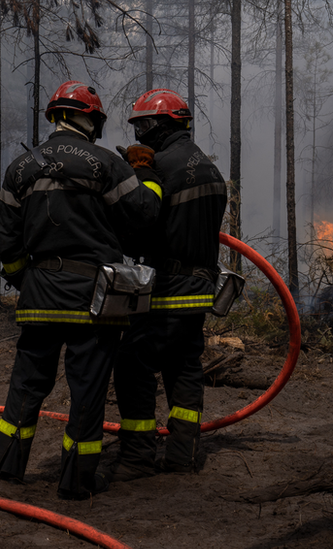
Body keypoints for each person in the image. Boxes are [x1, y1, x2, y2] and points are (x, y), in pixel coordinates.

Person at [0, 81, 162, 500]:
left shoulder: (19, 168)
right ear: (92, 119)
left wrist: (24, 280)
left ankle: (5, 468)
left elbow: (7, 243)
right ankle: (76, 480)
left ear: (55, 118)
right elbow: (144, 216)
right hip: (94, 301)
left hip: (40, 296)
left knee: (27, 386)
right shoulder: (107, 164)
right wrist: (147, 176)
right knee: (87, 391)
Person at [106, 88, 228, 482]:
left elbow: (143, 224)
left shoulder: (159, 165)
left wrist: (138, 176)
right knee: (184, 368)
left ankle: (138, 457)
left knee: (132, 365)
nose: (140, 134)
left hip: (167, 288)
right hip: (200, 288)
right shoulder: (209, 168)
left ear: (164, 125)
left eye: (144, 125)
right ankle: (182, 454)